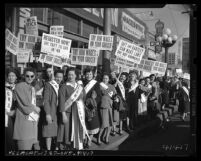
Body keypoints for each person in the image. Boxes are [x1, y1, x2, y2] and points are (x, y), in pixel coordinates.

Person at [57, 68, 88, 150]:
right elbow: (61, 102)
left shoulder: (80, 87)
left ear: (76, 75)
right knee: (67, 133)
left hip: (78, 113)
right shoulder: (64, 87)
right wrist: (63, 115)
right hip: (67, 113)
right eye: (69, 74)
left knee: (76, 133)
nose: (70, 76)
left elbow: (83, 98)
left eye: (72, 74)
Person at [13, 67, 41, 150]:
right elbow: (25, 103)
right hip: (24, 122)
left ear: (34, 77)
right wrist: (35, 108)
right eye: (27, 76)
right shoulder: (19, 86)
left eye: (32, 76)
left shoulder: (32, 87)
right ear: (24, 76)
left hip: (32, 123)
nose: (29, 78)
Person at [42, 69, 64, 150]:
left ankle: (57, 148)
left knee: (59, 131)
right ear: (54, 76)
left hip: (60, 112)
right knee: (49, 132)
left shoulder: (62, 85)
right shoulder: (49, 85)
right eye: (57, 77)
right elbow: (46, 100)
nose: (58, 79)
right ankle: (48, 149)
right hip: (52, 111)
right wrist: (47, 113)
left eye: (60, 77)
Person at [82, 68, 102, 148]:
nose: (88, 76)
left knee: (92, 125)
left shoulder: (96, 84)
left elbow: (99, 96)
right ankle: (85, 139)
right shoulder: (81, 83)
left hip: (91, 108)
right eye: (87, 74)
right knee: (85, 125)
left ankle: (89, 141)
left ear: (93, 75)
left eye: (90, 74)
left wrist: (93, 101)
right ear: (84, 75)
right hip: (82, 107)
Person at [99, 73, 117, 144]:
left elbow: (115, 95)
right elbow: (102, 93)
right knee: (103, 124)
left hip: (110, 106)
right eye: (104, 78)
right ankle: (99, 138)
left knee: (110, 123)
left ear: (109, 79)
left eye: (106, 78)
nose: (105, 79)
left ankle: (106, 138)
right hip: (103, 106)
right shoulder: (100, 85)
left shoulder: (111, 86)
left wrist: (115, 96)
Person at [5, 68, 19, 153]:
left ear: (16, 77)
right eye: (9, 75)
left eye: (13, 75)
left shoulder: (19, 87)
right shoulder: (5, 87)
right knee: (9, 136)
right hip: (7, 114)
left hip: (18, 114)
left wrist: (15, 111)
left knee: (17, 135)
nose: (11, 77)